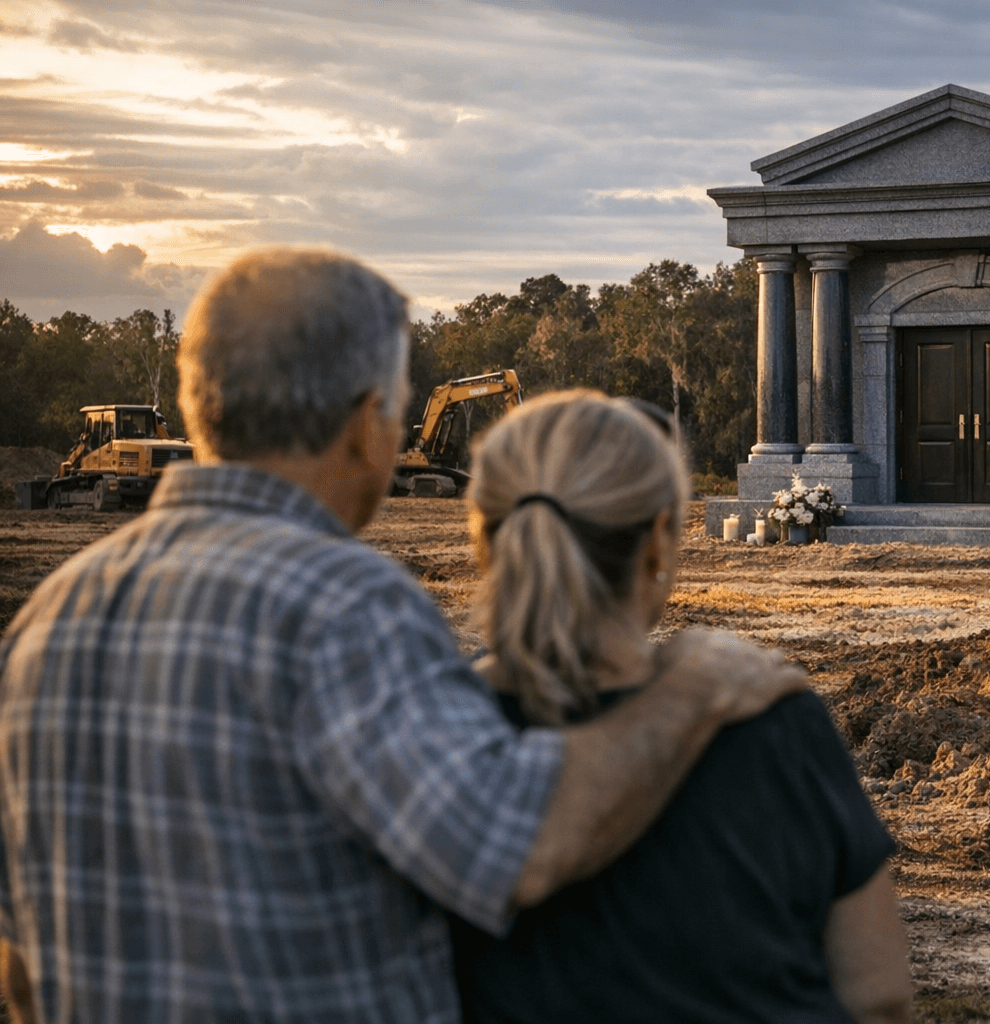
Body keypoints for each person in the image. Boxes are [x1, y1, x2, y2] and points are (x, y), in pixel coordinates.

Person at [0, 249, 803, 1023]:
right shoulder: (343, 607)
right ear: (364, 424)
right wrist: (694, 682)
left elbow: (24, 973)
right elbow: (521, 845)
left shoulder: (41, 628)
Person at [451, 390, 912, 1024]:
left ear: (484, 540)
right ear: (659, 544)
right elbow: (879, 993)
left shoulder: (435, 734)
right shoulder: (773, 716)